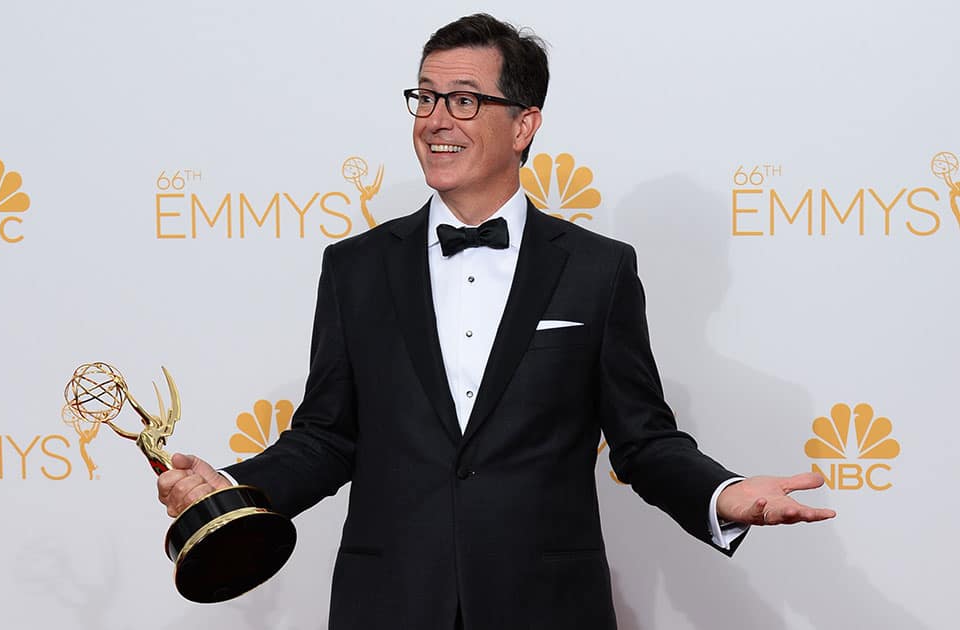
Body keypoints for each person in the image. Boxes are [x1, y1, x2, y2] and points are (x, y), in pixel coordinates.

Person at [157, 13, 835, 630]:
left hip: (545, 604)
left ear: (523, 124)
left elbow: (643, 442)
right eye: (424, 97)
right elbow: (329, 437)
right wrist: (236, 491)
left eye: (463, 99)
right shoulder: (355, 267)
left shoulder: (598, 271)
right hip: (387, 603)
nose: (435, 119)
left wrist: (722, 494)